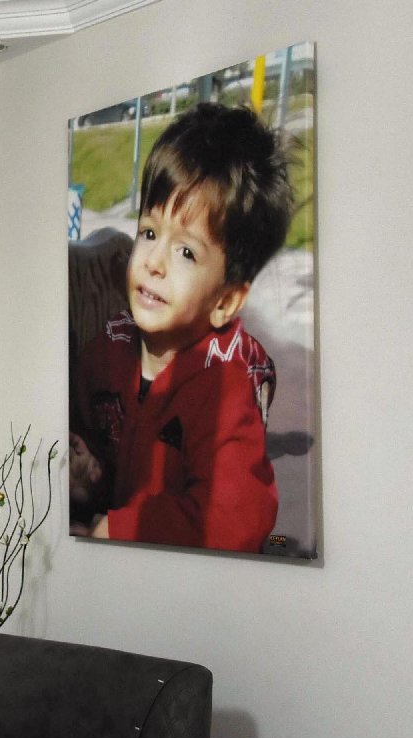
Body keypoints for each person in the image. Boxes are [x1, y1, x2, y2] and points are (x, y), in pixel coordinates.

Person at [69, 103, 295, 553]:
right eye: (150, 233)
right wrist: (89, 474)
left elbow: (234, 519)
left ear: (225, 301)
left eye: (186, 253)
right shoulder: (107, 350)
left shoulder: (224, 389)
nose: (153, 262)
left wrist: (122, 528)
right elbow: (104, 450)